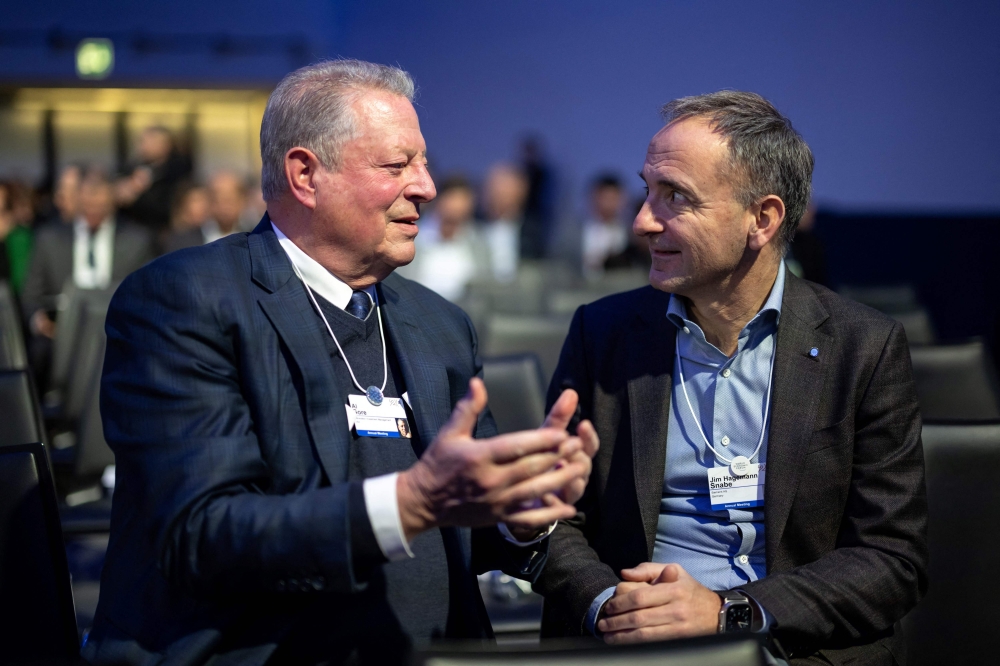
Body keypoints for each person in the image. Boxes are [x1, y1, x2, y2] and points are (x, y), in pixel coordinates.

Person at [83, 60, 598, 665]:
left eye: (424, 162)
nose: (426, 187)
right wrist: (409, 503)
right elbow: (202, 534)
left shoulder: (439, 325)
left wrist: (517, 511)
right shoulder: (185, 302)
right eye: (396, 165)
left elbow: (467, 522)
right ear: (306, 175)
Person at [533, 91, 927, 665]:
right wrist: (610, 605)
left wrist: (730, 613)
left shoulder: (862, 349)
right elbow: (552, 518)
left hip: (787, 645)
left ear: (761, 220)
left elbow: (891, 559)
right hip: (634, 646)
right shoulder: (605, 335)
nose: (643, 221)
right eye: (648, 190)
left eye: (676, 198)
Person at [21, 168, 153, 381]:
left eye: (99, 205)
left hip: (116, 332)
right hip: (60, 335)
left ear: (112, 201)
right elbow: (30, 295)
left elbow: (148, 296)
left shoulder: (137, 241)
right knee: (38, 351)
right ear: (78, 199)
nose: (93, 210)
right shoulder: (49, 238)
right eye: (88, 204)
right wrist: (40, 321)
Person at [395, 174, 490, 301]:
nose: (458, 207)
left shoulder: (479, 242)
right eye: (453, 199)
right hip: (417, 305)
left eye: (464, 200)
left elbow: (485, 285)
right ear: (440, 200)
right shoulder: (413, 234)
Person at [116, 125, 191, 234]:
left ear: (166, 145)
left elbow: (172, 206)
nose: (143, 147)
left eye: (150, 142)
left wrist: (139, 189)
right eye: (142, 142)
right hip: (130, 229)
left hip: (163, 231)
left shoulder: (178, 171)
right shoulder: (131, 168)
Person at [481, 163, 528, 283]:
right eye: (496, 187)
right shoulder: (473, 226)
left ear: (521, 192)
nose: (500, 193)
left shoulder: (533, 232)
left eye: (506, 188)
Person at [581, 174, 629, 277]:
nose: (608, 204)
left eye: (613, 198)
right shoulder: (578, 232)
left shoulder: (631, 234)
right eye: (604, 198)